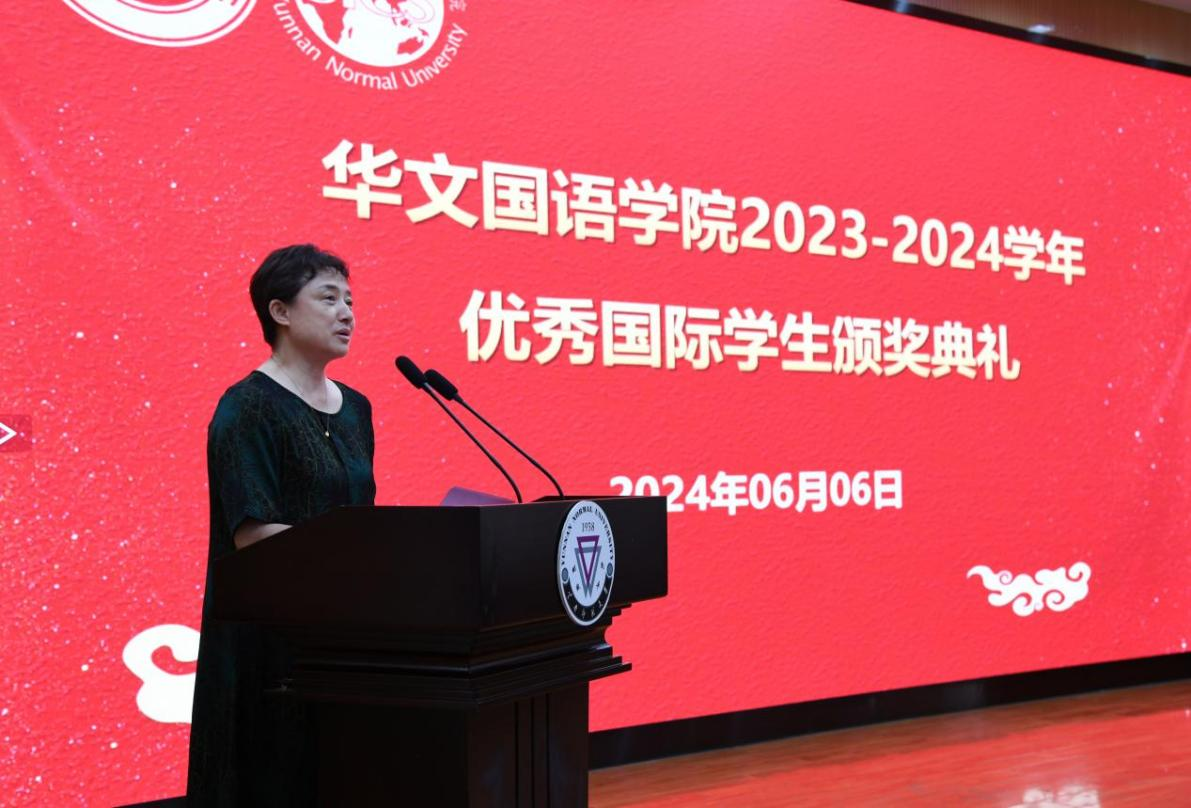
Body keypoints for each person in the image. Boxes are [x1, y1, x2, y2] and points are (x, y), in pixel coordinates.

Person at [186, 244, 376, 806]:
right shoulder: (247, 408)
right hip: (269, 641)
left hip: (343, 632)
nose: (347, 313)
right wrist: (355, 560)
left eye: (350, 300)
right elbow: (253, 535)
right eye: (329, 298)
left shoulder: (357, 408)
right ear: (280, 311)